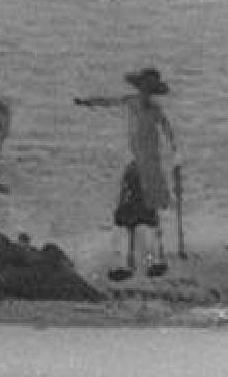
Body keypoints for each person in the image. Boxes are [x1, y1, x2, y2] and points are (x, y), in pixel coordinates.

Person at [75, 67, 180, 281]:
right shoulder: (132, 102)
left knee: (146, 216)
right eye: (144, 88)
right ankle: (128, 264)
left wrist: (176, 157)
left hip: (149, 168)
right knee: (127, 216)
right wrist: (88, 102)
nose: (146, 93)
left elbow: (169, 134)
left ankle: (153, 262)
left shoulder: (155, 110)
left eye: (149, 90)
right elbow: (108, 102)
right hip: (136, 166)